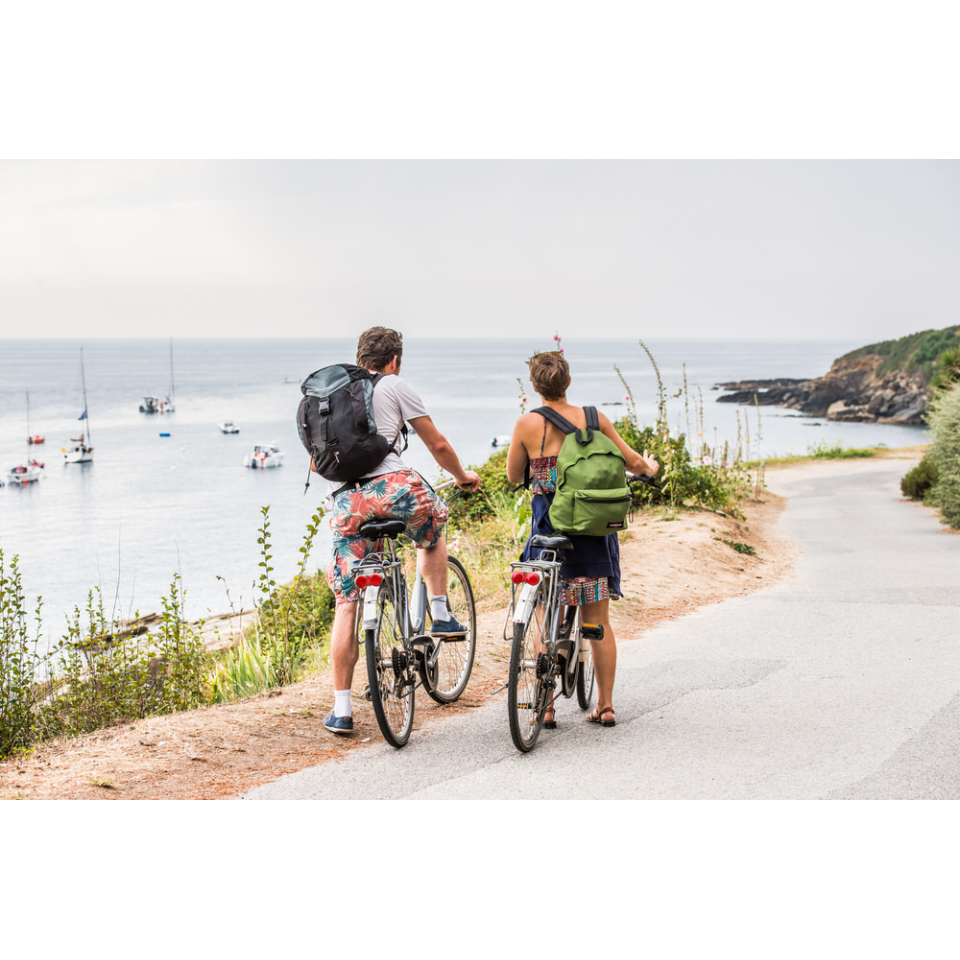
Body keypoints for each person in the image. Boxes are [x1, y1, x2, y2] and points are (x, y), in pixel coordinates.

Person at [320, 326, 481, 734]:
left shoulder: (333, 396)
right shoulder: (394, 384)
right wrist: (462, 476)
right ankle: (442, 615)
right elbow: (437, 445)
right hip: (394, 490)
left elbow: (317, 462)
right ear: (394, 360)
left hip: (347, 502)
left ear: (359, 360)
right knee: (433, 527)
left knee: (347, 601)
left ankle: (341, 710)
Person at [505, 351, 659, 728]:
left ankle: (545, 706)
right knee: (598, 623)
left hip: (549, 537)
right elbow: (632, 462)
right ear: (567, 382)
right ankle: (605, 706)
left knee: (543, 618)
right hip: (592, 538)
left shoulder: (527, 424)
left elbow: (512, 476)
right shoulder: (595, 419)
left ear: (535, 387)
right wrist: (650, 468)